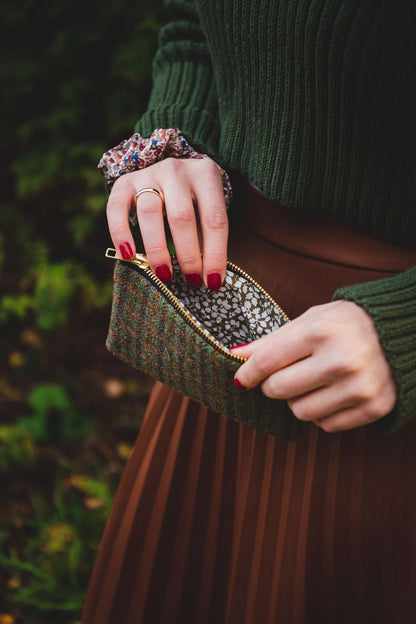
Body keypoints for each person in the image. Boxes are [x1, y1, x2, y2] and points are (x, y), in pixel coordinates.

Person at [82, 1, 416, 622]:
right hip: (226, 331)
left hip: (378, 392)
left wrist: (408, 331)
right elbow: (191, 27)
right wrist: (174, 141)